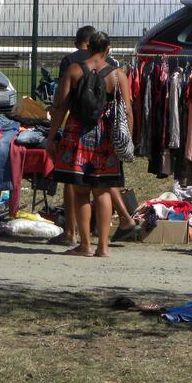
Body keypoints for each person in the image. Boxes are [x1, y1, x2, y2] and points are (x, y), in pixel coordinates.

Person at [46, 31, 133, 257]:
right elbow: (127, 112)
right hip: (105, 136)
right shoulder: (117, 75)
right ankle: (103, 247)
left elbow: (60, 107)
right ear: (108, 49)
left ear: (88, 47)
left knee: (81, 191)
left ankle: (84, 245)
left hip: (76, 134)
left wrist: (51, 136)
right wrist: (127, 140)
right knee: (103, 191)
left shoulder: (73, 70)